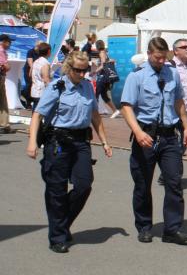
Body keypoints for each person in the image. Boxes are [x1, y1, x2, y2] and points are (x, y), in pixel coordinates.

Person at [25, 50, 112, 253]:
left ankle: (61, 224)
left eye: (85, 70)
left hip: (81, 142)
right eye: (78, 71)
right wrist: (32, 143)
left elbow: (95, 115)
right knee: (57, 190)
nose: (82, 74)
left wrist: (105, 142)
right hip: (58, 142)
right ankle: (57, 237)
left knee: (84, 185)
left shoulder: (87, 87)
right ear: (68, 68)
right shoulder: (57, 87)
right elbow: (38, 115)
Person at [120, 37, 187, 245]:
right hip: (146, 134)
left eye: (164, 57)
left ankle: (172, 229)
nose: (162, 61)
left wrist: (186, 127)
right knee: (143, 184)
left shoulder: (172, 74)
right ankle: (144, 226)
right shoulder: (137, 76)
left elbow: (179, 101)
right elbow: (126, 107)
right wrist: (138, 132)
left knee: (174, 182)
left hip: (170, 135)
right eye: (158, 58)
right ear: (149, 54)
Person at [94, 40, 121, 119]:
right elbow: (107, 61)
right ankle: (115, 110)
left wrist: (94, 72)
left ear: (97, 46)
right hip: (105, 77)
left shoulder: (101, 53)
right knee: (103, 95)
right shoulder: (104, 52)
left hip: (103, 76)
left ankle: (94, 111)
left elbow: (103, 65)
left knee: (97, 93)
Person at [30, 42, 52, 111]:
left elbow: (30, 74)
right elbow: (46, 80)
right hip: (42, 92)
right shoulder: (45, 63)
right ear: (48, 51)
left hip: (34, 89)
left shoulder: (35, 61)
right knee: (39, 113)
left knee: (35, 111)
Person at [22, 40, 40, 108]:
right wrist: (32, 70)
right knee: (29, 85)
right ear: (37, 46)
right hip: (28, 70)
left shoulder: (40, 53)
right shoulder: (30, 51)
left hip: (36, 70)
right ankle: (28, 102)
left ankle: (30, 100)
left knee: (33, 85)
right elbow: (30, 62)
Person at [0, 34, 12, 133]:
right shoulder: (1, 51)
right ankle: (5, 124)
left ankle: (5, 124)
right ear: (4, 42)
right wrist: (8, 66)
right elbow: (5, 66)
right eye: (9, 42)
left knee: (3, 100)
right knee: (2, 100)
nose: (10, 45)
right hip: (0, 76)